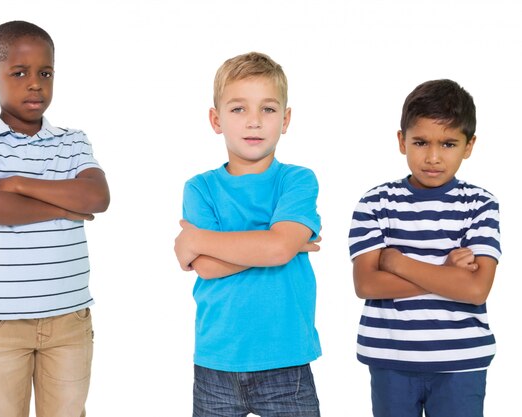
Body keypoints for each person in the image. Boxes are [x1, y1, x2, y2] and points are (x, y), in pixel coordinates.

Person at [0, 20, 110, 417]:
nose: (34, 83)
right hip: (1, 322)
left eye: (45, 73)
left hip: (69, 319)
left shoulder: (72, 141)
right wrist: (63, 208)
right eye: (18, 73)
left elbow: (97, 196)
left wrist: (17, 183)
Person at [174, 51, 323, 417]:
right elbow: (207, 268)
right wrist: (279, 244)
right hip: (216, 363)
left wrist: (198, 241)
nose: (254, 122)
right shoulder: (200, 188)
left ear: (285, 119)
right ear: (216, 119)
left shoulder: (297, 179)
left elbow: (274, 250)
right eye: (239, 109)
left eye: (268, 110)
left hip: (286, 363)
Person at [348, 79, 501, 417]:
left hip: (461, 360)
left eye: (448, 144)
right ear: (402, 141)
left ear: (469, 145)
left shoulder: (480, 204)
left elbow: (476, 289)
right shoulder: (375, 203)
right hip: (390, 358)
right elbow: (367, 285)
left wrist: (396, 262)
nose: (433, 157)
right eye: (420, 142)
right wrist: (447, 275)